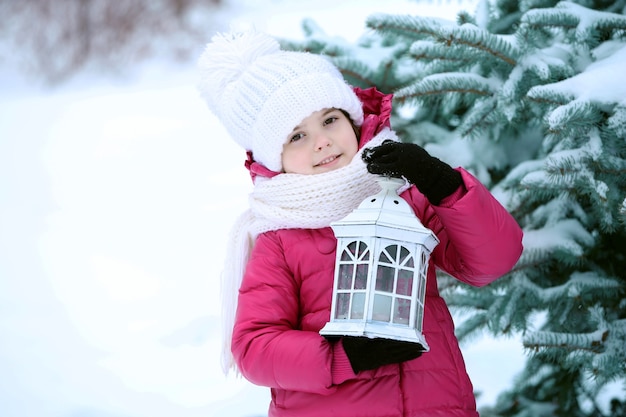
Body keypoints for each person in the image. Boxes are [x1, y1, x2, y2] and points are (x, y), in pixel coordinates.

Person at [197, 31, 523, 417]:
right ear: (275, 157)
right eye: (298, 135)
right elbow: (254, 347)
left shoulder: (403, 199)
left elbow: (492, 261)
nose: (322, 141)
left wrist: (445, 186)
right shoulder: (280, 238)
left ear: (353, 120)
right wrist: (339, 356)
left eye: (330, 119)